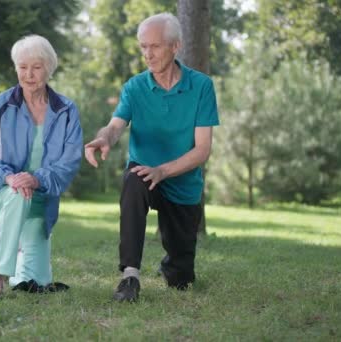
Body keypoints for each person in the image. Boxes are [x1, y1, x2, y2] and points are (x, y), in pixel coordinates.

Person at [84, 13, 219, 302]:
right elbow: (116, 125)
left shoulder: (202, 86)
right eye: (143, 46)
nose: (147, 54)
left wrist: (163, 171)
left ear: (175, 46)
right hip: (145, 173)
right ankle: (129, 277)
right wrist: (103, 138)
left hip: (182, 183)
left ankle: (172, 266)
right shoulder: (134, 87)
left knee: (181, 280)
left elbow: (202, 149)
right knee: (133, 180)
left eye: (155, 46)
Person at [0, 34, 82, 299]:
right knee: (18, 195)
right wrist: (10, 178)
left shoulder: (66, 110)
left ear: (49, 68)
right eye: (22, 67)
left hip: (41, 198)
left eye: (36, 67)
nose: (29, 74)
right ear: (16, 68)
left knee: (35, 283)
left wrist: (35, 179)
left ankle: (19, 246)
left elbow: (69, 163)